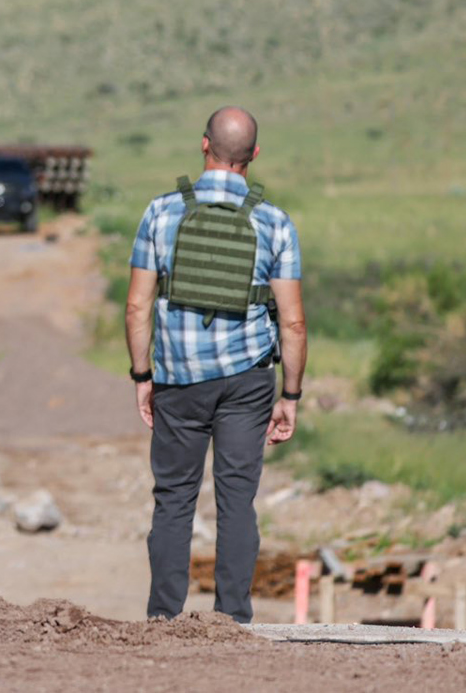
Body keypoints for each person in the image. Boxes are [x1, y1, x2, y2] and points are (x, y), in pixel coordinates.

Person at [123, 107, 306, 623]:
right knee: (237, 500)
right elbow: (293, 323)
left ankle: (163, 618)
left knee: (174, 500)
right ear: (254, 155)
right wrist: (290, 396)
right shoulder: (275, 222)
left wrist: (142, 376)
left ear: (205, 145)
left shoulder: (161, 212)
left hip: (178, 380)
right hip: (249, 382)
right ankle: (232, 619)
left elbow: (137, 306)